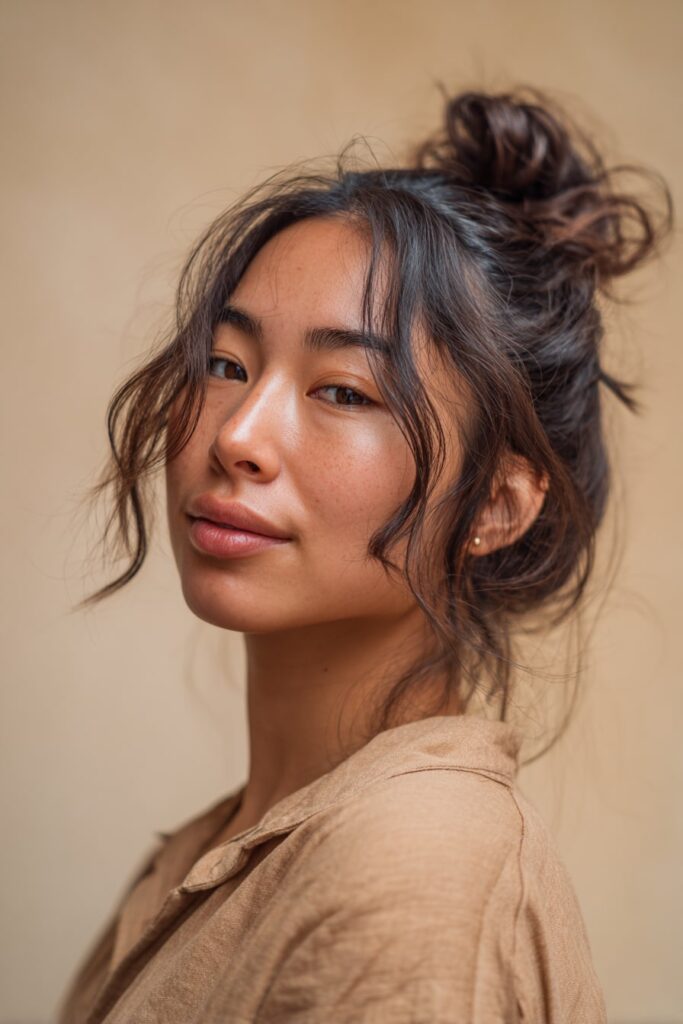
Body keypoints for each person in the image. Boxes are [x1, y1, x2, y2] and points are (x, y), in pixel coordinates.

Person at [56, 84, 673, 1023]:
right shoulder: (216, 849)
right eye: (226, 364)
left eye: (343, 391)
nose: (238, 435)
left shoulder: (416, 872)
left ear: (495, 507)